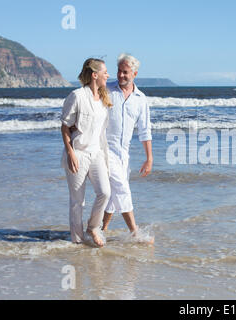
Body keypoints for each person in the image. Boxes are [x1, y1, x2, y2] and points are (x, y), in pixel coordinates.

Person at [100, 53, 153, 242]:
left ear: (134, 74)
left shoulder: (141, 99)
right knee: (122, 189)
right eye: (119, 71)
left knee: (114, 196)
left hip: (124, 154)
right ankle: (135, 232)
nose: (121, 75)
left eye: (125, 72)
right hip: (105, 150)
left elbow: (145, 131)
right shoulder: (105, 90)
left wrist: (149, 158)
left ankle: (101, 229)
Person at [60, 58, 112, 247]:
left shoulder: (104, 98)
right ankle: (77, 241)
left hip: (97, 153)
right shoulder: (77, 96)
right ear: (94, 75)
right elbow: (65, 127)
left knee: (105, 193)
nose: (108, 75)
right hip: (78, 153)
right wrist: (70, 152)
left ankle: (93, 227)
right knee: (77, 202)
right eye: (105, 72)